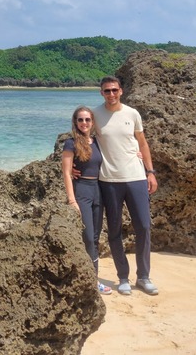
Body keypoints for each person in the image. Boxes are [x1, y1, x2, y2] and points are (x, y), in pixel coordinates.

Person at [91, 75, 159, 296]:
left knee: (144, 226)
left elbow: (142, 143)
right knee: (115, 230)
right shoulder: (95, 115)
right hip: (109, 180)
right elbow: (83, 140)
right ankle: (122, 277)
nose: (111, 94)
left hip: (136, 177)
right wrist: (74, 166)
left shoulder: (132, 114)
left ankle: (144, 276)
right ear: (101, 93)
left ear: (121, 91)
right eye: (107, 91)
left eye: (114, 90)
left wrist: (150, 172)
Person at [61, 107, 112, 295]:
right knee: (88, 237)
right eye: (80, 120)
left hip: (98, 190)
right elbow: (66, 173)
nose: (84, 123)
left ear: (92, 122)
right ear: (75, 122)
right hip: (81, 190)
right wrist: (71, 200)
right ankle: (89, 281)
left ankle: (93, 280)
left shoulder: (98, 142)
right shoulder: (71, 143)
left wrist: (137, 154)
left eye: (87, 120)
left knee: (96, 238)